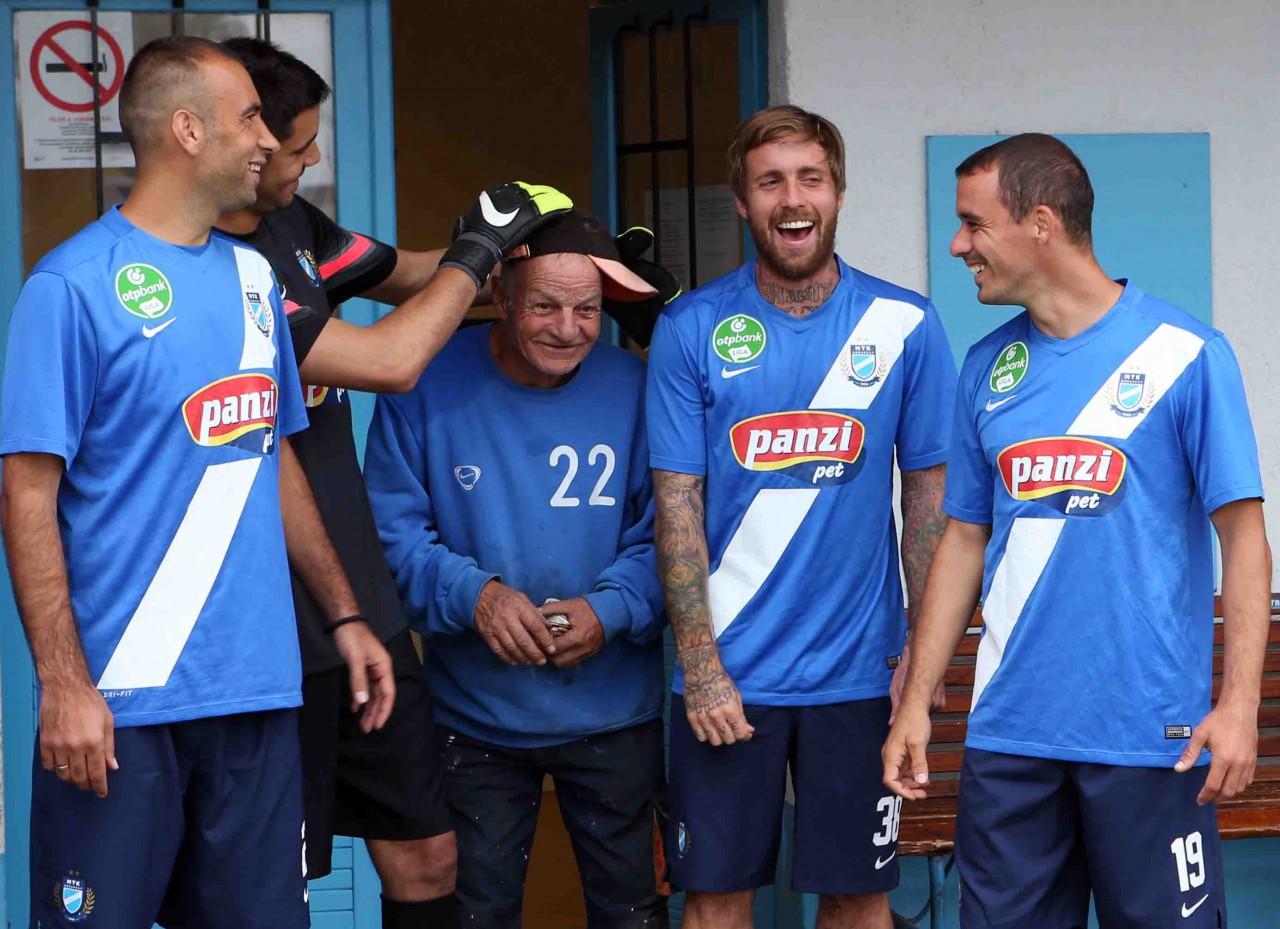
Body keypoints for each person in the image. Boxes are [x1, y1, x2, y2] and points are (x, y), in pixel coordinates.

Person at [0, 36, 393, 929]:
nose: (270, 139)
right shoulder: (72, 285)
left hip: (256, 693)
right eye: (250, 116)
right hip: (119, 704)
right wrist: (63, 684)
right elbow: (26, 495)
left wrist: (344, 615)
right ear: (187, 130)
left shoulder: (255, 278)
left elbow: (272, 456)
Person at [213, 38, 572, 926]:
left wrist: (538, 256)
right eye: (299, 145)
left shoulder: (296, 229)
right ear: (246, 140)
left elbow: (414, 277)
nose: (311, 159)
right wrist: (479, 250)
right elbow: (392, 359)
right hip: (272, 624)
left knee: (428, 854)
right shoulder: (216, 274)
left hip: (363, 612)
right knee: (275, 878)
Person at [882, 133, 1271, 929]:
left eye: (974, 224)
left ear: (1042, 223)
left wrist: (1238, 706)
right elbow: (962, 540)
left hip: (1150, 740)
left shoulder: (1187, 354)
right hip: (1010, 740)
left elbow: (1243, 537)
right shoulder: (986, 367)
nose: (958, 245)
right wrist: (916, 701)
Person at [645, 105, 957, 929]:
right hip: (728, 675)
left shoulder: (905, 324)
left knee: (858, 898)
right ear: (742, 201)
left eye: (810, 178)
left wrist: (922, 657)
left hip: (861, 676)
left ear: (838, 192)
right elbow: (677, 505)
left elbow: (928, 501)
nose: (792, 198)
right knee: (715, 901)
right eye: (770, 181)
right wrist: (700, 664)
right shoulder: (692, 328)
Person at [364, 210, 671, 929]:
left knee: (633, 915)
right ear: (500, 295)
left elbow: (676, 535)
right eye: (545, 306)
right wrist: (478, 598)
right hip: (473, 718)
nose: (568, 328)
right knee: (476, 914)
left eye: (587, 309)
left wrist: (610, 610)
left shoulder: (638, 387)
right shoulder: (422, 379)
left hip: (615, 712)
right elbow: (390, 537)